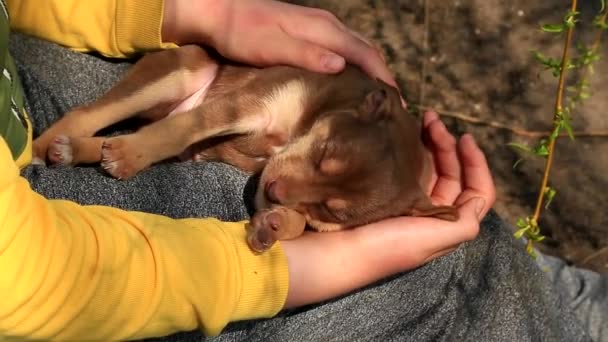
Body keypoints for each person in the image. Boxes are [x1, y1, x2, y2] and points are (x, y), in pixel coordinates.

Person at [1, 0, 604, 341]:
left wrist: (178, 11)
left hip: (33, 86)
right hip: (54, 222)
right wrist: (298, 269)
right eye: (319, 159)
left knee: (460, 249)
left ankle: (560, 296)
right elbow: (38, 281)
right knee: (439, 278)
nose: (286, 186)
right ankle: (565, 302)